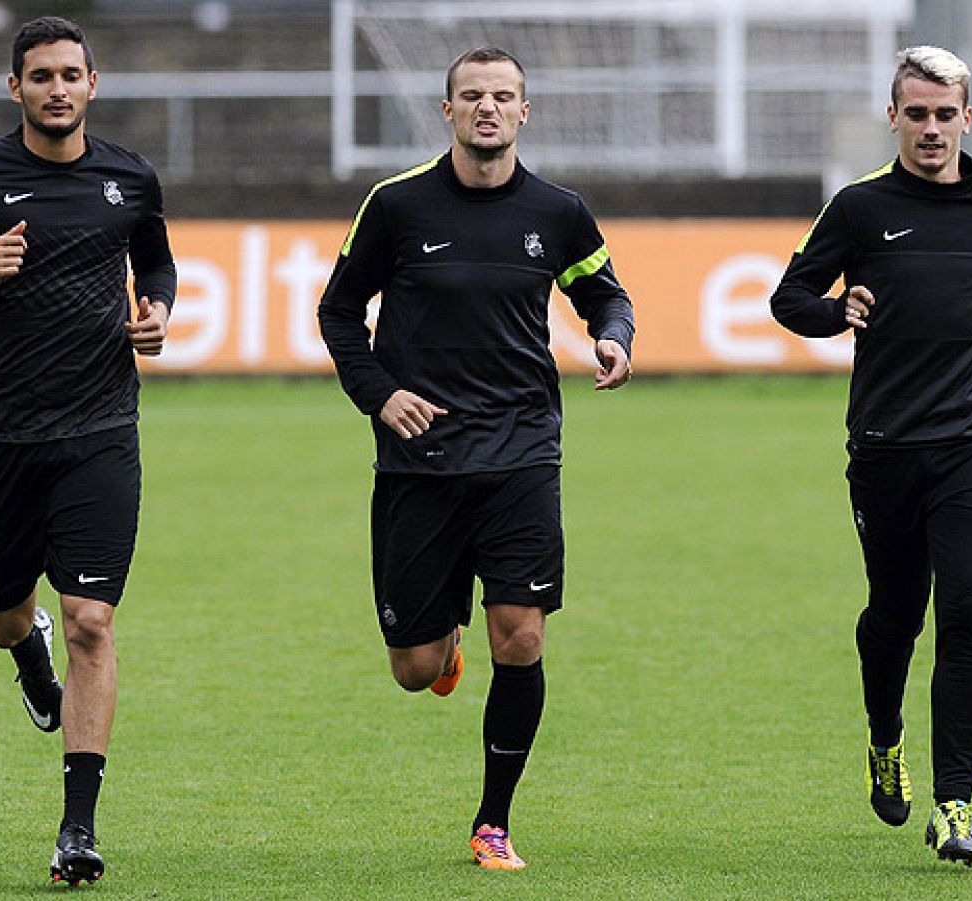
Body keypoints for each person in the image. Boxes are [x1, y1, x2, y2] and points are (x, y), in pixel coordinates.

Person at [317, 46, 634, 871]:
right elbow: (340, 311)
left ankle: (493, 821)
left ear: (525, 111)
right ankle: (442, 642)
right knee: (415, 670)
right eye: (472, 96)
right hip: (419, 457)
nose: (487, 108)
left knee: (521, 637)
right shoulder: (396, 206)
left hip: (522, 453)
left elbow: (606, 292)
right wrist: (381, 394)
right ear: (446, 110)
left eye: (503, 96)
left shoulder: (559, 212)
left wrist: (613, 337)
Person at [0, 15, 173, 887]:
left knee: (93, 620)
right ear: (15, 88)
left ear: (94, 84)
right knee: (6, 618)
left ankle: (77, 829)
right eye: (40, 75)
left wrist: (155, 311)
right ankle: (25, 651)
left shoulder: (129, 178)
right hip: (1, 441)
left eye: (70, 74)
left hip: (99, 435)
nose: (57, 88)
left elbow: (156, 265)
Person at [770, 46, 972, 867]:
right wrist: (835, 310)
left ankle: (955, 803)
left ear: (969, 116)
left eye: (945, 112)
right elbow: (788, 297)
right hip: (887, 446)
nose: (931, 128)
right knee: (895, 616)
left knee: (969, 610)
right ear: (893, 117)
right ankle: (884, 735)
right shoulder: (858, 209)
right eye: (916, 113)